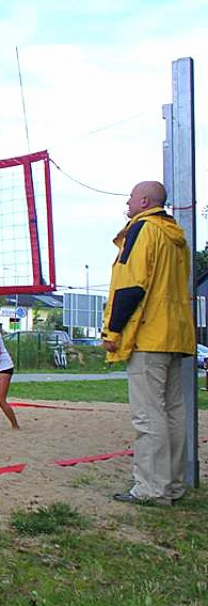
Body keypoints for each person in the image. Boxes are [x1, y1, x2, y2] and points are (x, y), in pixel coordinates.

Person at [103, 180, 194, 507]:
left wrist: (113, 332)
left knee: (148, 415)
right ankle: (172, 486)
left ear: (144, 201)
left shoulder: (142, 230)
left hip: (148, 335)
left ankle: (151, 489)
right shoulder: (177, 237)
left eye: (129, 197)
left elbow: (131, 286)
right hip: (176, 333)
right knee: (172, 413)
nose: (126, 202)